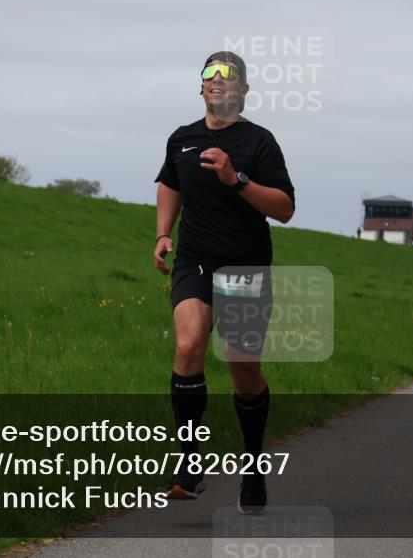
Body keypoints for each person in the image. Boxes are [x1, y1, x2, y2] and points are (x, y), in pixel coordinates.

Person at [153, 51, 295, 514]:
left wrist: (237, 179)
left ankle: (252, 466)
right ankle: (190, 464)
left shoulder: (259, 142)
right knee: (189, 344)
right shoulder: (182, 138)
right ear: (201, 87)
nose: (218, 81)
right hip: (195, 261)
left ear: (243, 90)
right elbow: (170, 182)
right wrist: (162, 233)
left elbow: (284, 208)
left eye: (229, 76)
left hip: (246, 267)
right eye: (210, 74)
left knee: (243, 369)